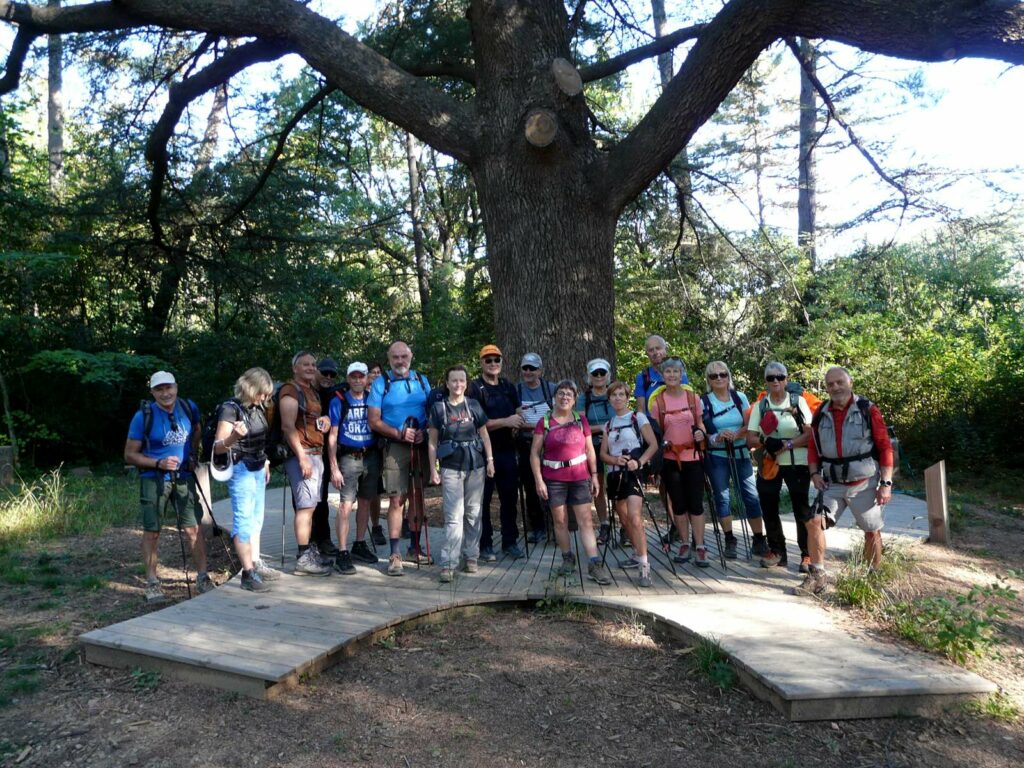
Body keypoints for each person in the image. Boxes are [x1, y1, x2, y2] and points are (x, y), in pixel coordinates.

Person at [798, 366, 895, 596]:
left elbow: (885, 447)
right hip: (832, 483)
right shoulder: (821, 412)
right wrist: (814, 473)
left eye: (839, 382)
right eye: (830, 384)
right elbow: (813, 446)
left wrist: (886, 483)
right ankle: (817, 576)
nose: (835, 387)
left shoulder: (867, 409)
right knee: (813, 521)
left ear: (850, 383)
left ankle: (873, 578)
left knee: (871, 530)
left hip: (864, 482)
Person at [124, 371, 213, 603]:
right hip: (154, 479)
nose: (165, 393)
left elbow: (197, 429)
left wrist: (192, 454)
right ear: (152, 392)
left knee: (193, 528)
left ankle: (203, 577)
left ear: (176, 387)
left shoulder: (188, 407)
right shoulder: (142, 417)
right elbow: (130, 455)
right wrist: (158, 463)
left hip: (184, 477)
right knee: (152, 532)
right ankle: (152, 583)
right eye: (159, 389)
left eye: (168, 388)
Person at [530, 379, 612, 585]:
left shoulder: (580, 420)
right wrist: (539, 480)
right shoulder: (544, 422)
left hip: (579, 477)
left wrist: (594, 475)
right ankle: (567, 559)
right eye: (561, 393)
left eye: (569, 394)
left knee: (586, 521)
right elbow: (534, 453)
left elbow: (590, 450)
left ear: (575, 399)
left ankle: (594, 563)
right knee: (560, 521)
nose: (564, 397)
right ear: (554, 397)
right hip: (553, 478)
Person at [212, 367, 278, 592]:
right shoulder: (230, 409)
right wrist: (234, 436)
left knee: (257, 520)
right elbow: (218, 447)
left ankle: (255, 563)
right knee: (243, 521)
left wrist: (266, 461)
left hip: (258, 468)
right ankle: (247, 574)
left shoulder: (257, 407)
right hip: (241, 470)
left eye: (267, 393)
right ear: (250, 387)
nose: (265, 397)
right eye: (262, 392)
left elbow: (260, 440)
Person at [368, 341, 430, 577]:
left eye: (404, 356)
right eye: (395, 357)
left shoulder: (422, 380)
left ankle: (415, 547)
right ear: (389, 358)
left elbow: (432, 412)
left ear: (411, 357)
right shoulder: (380, 383)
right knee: (396, 499)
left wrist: (425, 431)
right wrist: (398, 433)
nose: (400, 361)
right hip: (394, 446)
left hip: (420, 445)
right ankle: (395, 554)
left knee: (417, 496)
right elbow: (373, 420)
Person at [428, 365, 495, 582]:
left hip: (476, 466)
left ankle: (471, 556)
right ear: (447, 383)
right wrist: (433, 469)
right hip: (451, 467)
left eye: (462, 380)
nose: (458, 384)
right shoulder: (438, 408)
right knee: (453, 516)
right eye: (454, 380)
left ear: (466, 384)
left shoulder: (473, 405)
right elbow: (432, 442)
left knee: (474, 513)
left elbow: (484, 435)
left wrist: (490, 460)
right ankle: (449, 563)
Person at [746, 362, 813, 570]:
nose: (775, 381)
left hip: (797, 462)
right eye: (770, 378)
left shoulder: (799, 401)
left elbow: (809, 434)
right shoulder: (761, 405)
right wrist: (766, 441)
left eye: (780, 377)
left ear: (786, 379)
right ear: (766, 381)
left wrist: (787, 445)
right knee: (768, 507)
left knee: (801, 509)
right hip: (770, 463)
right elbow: (750, 438)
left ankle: (807, 553)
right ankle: (777, 551)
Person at [700, 361, 769, 560]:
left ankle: (759, 539)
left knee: (751, 496)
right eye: (714, 376)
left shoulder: (740, 398)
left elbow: (750, 425)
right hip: (716, 456)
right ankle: (729, 539)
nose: (719, 378)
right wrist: (717, 437)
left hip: (740, 454)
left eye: (722, 374)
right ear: (708, 380)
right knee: (722, 497)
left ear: (728, 376)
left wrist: (736, 434)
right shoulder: (703, 401)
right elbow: (702, 431)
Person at [649, 357, 710, 567]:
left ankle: (700, 546)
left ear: (682, 373)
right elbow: (656, 434)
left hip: (693, 457)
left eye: (676, 371)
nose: (672, 375)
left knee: (696, 503)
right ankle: (684, 543)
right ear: (662, 375)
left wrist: (701, 433)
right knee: (678, 503)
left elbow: (700, 423)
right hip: (669, 460)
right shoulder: (657, 402)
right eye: (668, 372)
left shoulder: (693, 398)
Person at [467, 345, 527, 559]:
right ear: (481, 363)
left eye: (496, 360)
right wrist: (505, 421)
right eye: (488, 360)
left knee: (509, 498)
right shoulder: (474, 388)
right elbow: (475, 423)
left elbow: (518, 412)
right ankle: (485, 544)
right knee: (482, 501)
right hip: (482, 454)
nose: (493, 363)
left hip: (508, 451)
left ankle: (510, 541)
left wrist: (518, 422)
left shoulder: (508, 386)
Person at [600, 381, 659, 587]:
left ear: (627, 397)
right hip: (615, 475)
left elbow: (653, 444)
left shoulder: (637, 417)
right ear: (609, 399)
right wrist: (615, 460)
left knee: (634, 517)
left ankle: (644, 566)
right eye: (613, 395)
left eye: (621, 394)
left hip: (634, 473)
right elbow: (603, 454)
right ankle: (636, 553)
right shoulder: (608, 424)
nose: (617, 398)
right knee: (624, 517)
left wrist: (639, 462)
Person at [280, 351, 333, 576]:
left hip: (315, 454)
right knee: (304, 508)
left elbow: (310, 420)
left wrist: (325, 420)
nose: (311, 368)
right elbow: (287, 426)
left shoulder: (311, 391)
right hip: (303, 455)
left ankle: (308, 553)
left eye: (313, 364)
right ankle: (303, 559)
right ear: (295, 368)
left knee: (310, 507)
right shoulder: (290, 391)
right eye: (305, 365)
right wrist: (302, 457)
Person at [327, 361, 381, 574]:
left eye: (361, 376)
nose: (358, 380)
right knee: (345, 505)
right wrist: (334, 467)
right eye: (354, 376)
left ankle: (359, 543)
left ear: (367, 379)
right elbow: (332, 436)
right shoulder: (339, 401)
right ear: (348, 378)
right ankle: (342, 551)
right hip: (349, 457)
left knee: (365, 501)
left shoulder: (373, 399)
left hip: (371, 456)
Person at [516, 352, 557, 547]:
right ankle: (537, 527)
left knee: (554, 485)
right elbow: (515, 420)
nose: (528, 372)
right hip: (525, 444)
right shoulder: (516, 391)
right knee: (531, 488)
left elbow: (559, 416)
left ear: (540, 370)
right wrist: (536, 427)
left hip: (550, 446)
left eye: (532, 368)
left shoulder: (551, 389)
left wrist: (539, 428)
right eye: (525, 368)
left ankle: (557, 526)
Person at [577, 358, 616, 544]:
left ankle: (624, 526)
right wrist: (602, 428)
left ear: (608, 375)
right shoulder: (583, 398)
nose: (599, 376)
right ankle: (604, 524)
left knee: (619, 484)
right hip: (593, 445)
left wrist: (604, 430)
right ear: (589, 376)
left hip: (616, 444)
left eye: (602, 373)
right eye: (595, 373)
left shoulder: (615, 393)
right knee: (598, 485)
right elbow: (580, 425)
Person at [311, 357, 342, 559]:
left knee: (321, 498)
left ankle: (324, 539)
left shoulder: (334, 393)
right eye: (325, 373)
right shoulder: (304, 392)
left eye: (332, 374)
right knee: (307, 501)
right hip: (306, 452)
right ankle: (309, 542)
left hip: (325, 452)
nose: (328, 377)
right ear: (316, 371)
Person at [635, 335, 689, 414]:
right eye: (651, 350)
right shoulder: (643, 377)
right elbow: (641, 410)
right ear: (647, 354)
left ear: (665, 349)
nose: (655, 352)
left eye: (658, 348)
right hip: (651, 420)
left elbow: (686, 402)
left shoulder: (680, 374)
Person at [366, 361, 387, 546]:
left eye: (379, 372)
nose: (376, 375)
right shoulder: (356, 393)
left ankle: (376, 526)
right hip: (357, 449)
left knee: (376, 490)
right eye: (372, 372)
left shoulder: (384, 393)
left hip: (377, 447)